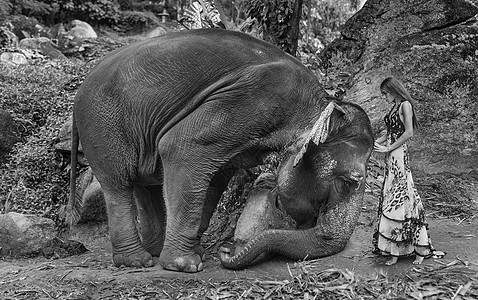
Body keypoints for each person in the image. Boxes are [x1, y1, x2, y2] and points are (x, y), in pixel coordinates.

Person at [372, 76, 439, 265]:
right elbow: (390, 132)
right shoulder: (394, 107)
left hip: (399, 155)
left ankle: (418, 248)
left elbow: (408, 132)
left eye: (385, 93)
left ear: (393, 90)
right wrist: (374, 143)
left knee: (402, 197)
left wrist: (388, 148)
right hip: (391, 157)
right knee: (391, 196)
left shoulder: (405, 106)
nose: (384, 97)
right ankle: (395, 249)